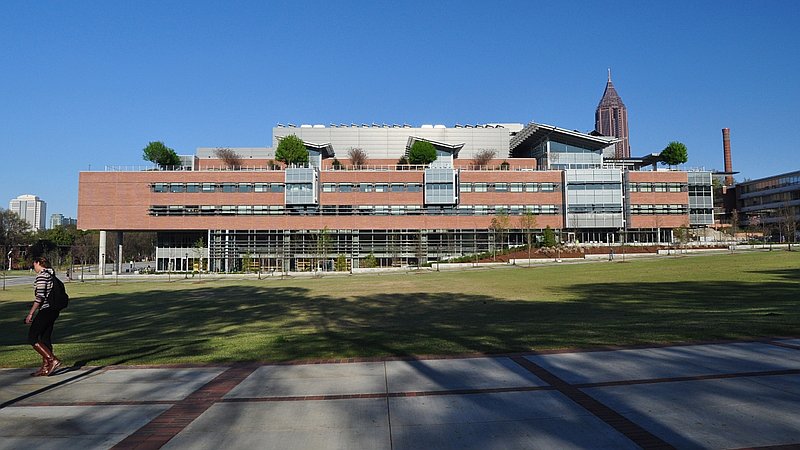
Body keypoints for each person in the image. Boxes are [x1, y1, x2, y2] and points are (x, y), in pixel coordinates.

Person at [25, 256, 62, 377]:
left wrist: (31, 313)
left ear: (38, 263)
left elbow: (40, 297)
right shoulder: (51, 274)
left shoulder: (42, 276)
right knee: (45, 338)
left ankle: (52, 360)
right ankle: (45, 368)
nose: (33, 267)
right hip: (54, 310)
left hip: (46, 309)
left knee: (33, 337)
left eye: (34, 264)